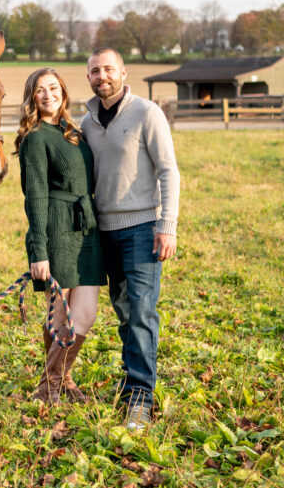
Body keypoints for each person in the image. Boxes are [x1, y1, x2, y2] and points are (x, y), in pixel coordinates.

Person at [80, 48, 180, 430]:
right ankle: (133, 381)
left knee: (141, 311)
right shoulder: (87, 123)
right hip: (103, 231)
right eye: (94, 71)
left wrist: (166, 224)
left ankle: (140, 397)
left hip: (141, 229)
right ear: (88, 77)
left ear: (123, 71)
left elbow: (169, 171)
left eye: (108, 69)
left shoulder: (146, 113)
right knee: (124, 312)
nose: (101, 76)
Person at [16, 68, 105, 404]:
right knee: (61, 315)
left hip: (85, 226)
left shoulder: (72, 132)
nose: (48, 95)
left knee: (85, 313)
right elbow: (34, 197)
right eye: (40, 90)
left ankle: (54, 382)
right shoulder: (36, 138)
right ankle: (53, 386)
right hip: (57, 226)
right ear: (32, 98)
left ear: (63, 92)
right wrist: (38, 251)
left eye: (53, 88)